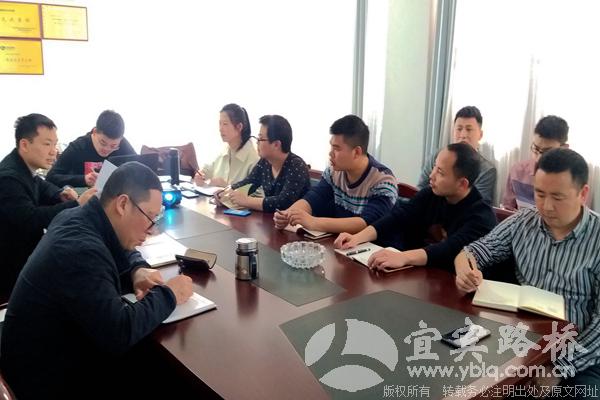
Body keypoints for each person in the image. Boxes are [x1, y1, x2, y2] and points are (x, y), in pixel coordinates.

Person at [0, 162, 193, 399]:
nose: (152, 229)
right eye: (150, 217)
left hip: (48, 352)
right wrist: (169, 294)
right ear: (123, 204)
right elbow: (119, 333)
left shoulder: (79, 217)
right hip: (44, 378)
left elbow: (121, 248)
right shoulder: (80, 249)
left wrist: (137, 270)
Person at [455, 148, 600, 393]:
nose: (547, 206)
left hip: (583, 353)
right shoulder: (523, 222)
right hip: (525, 342)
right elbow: (473, 251)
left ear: (583, 194)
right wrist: (464, 270)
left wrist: (559, 368)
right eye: (539, 194)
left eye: (558, 197)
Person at [334, 143, 496, 272]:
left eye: (440, 172)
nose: (431, 175)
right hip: (422, 275)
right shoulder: (432, 194)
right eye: (434, 167)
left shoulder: (480, 217)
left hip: (455, 285)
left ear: (462, 184)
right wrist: (358, 237)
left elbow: (449, 250)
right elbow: (398, 217)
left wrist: (403, 257)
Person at [0, 114, 96, 301]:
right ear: (25, 145)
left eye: (55, 144)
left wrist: (61, 192)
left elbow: (42, 185)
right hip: (12, 270)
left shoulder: (23, 166)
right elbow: (31, 219)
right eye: (47, 144)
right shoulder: (8, 178)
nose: (54, 151)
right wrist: (77, 204)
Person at [274, 115, 398, 234]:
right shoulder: (334, 172)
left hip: (376, 246)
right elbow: (314, 197)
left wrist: (313, 222)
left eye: (337, 148)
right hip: (342, 242)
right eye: (331, 147)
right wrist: (288, 214)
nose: (330, 153)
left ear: (356, 152)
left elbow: (366, 222)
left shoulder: (383, 181)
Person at [216, 114, 310, 212]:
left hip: (296, 220)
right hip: (273, 218)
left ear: (276, 144)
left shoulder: (296, 166)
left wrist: (247, 201)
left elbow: (283, 203)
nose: (257, 142)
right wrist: (226, 192)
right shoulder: (265, 162)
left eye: (260, 139)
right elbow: (249, 182)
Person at [418, 106, 497, 205]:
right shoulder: (437, 156)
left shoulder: (486, 170)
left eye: (469, 129)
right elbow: (420, 189)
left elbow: (478, 204)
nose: (463, 135)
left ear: (480, 135)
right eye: (459, 129)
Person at [46, 109, 136, 187]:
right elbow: (51, 177)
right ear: (95, 132)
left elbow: (138, 168)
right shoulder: (78, 146)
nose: (107, 149)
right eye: (103, 143)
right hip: (81, 196)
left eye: (113, 146)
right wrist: (83, 179)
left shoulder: (122, 144)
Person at [502, 115, 569, 210]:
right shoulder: (517, 172)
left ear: (564, 149)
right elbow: (507, 210)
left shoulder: (572, 179)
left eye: (547, 152)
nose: (539, 158)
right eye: (536, 149)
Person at [194, 103, 259, 188]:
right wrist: (200, 175)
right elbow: (207, 170)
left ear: (239, 127)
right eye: (220, 123)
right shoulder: (225, 149)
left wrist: (226, 187)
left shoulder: (254, 157)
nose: (220, 129)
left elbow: (257, 194)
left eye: (225, 124)